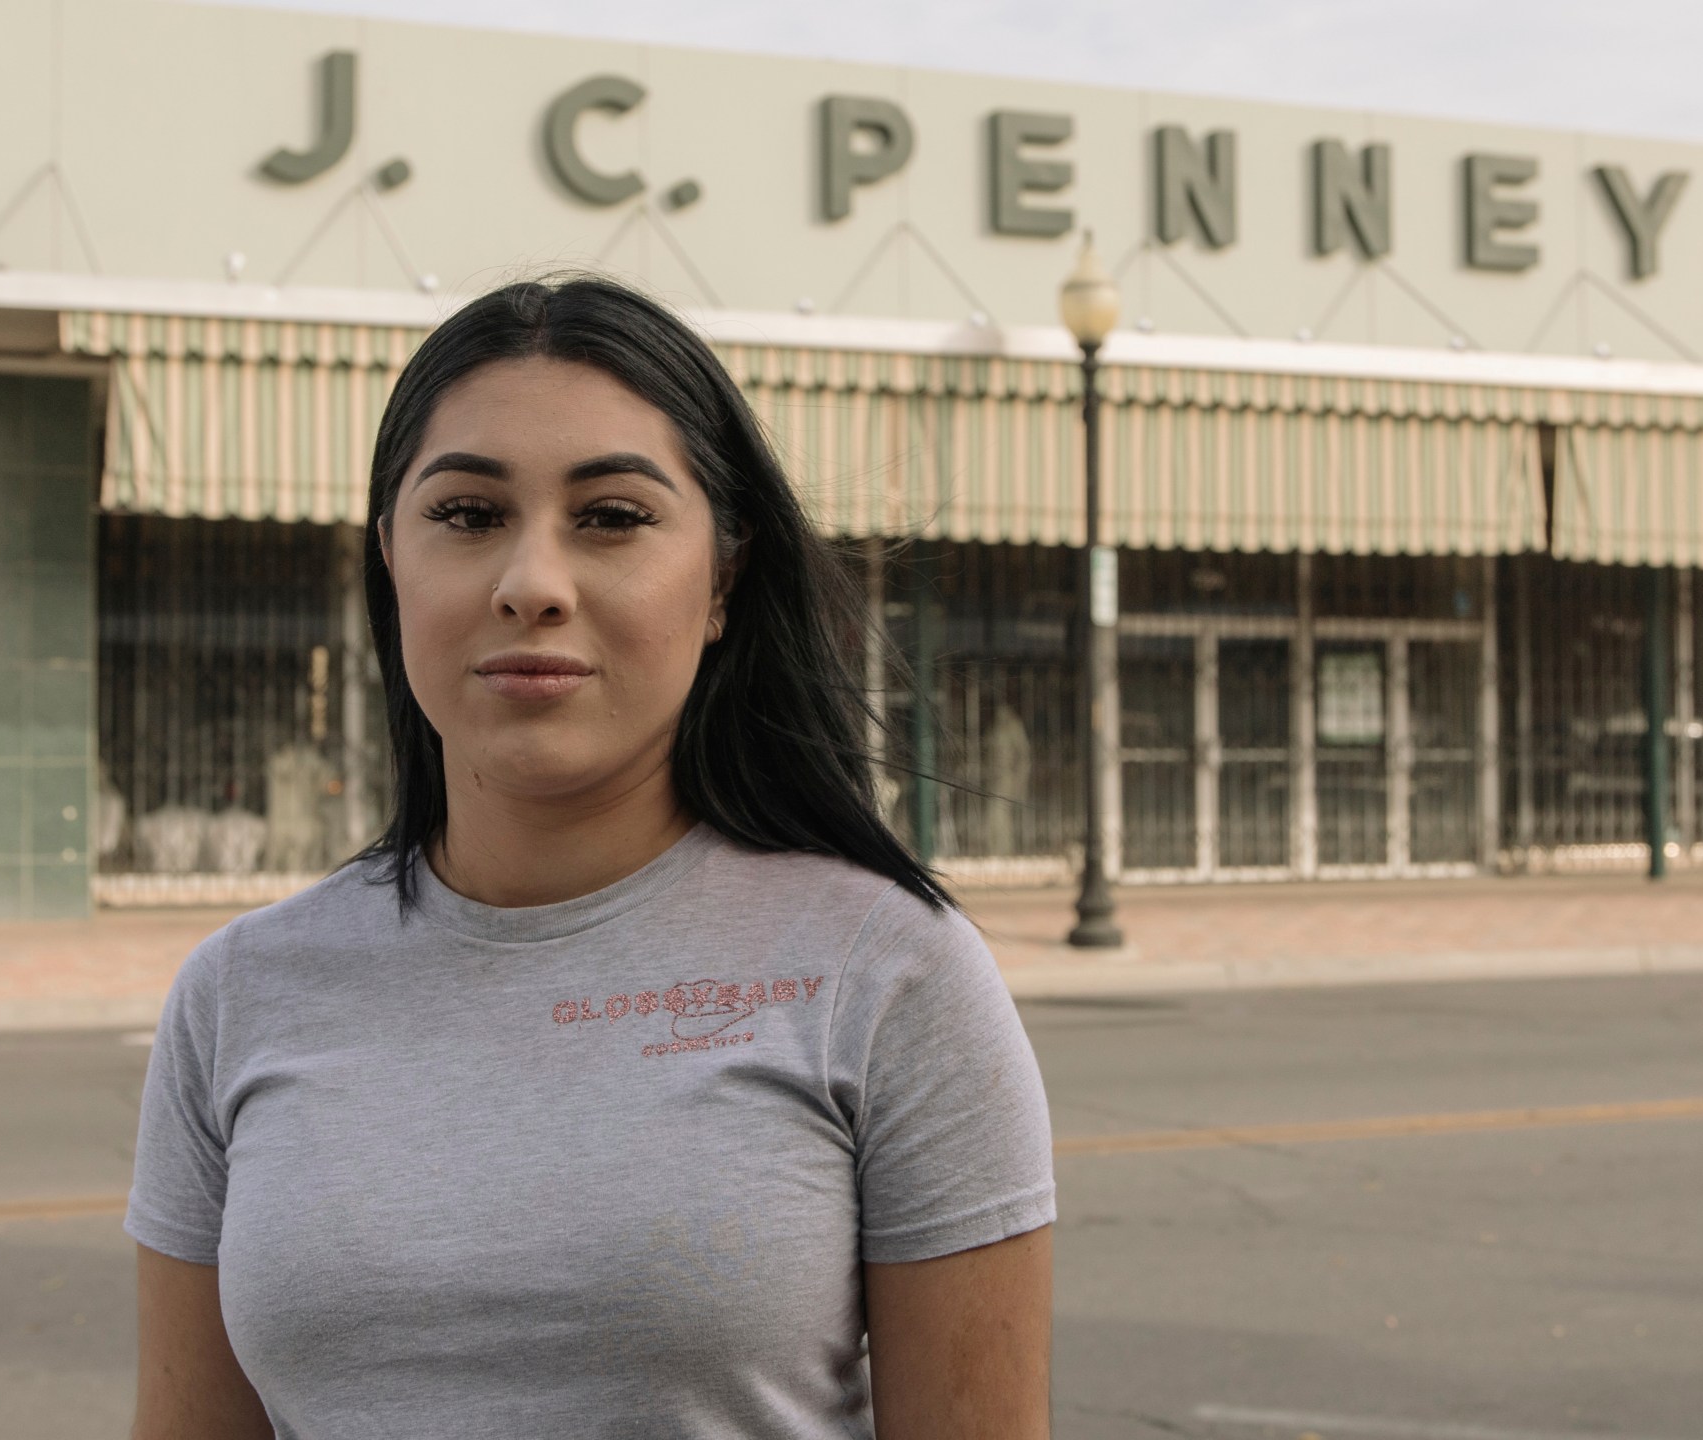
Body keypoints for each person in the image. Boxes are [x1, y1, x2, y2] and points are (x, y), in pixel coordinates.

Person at [125, 277, 1056, 1439]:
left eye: (611, 516)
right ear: (389, 563)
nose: (532, 584)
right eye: (467, 514)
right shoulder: (238, 992)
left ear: (721, 578)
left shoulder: (892, 976)